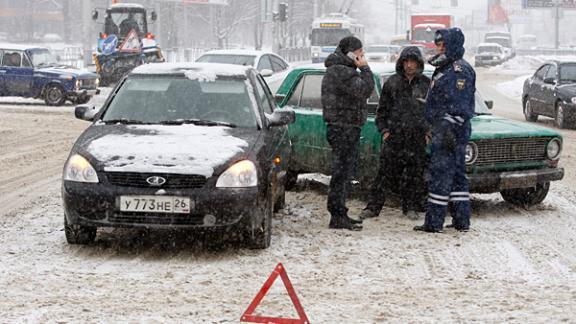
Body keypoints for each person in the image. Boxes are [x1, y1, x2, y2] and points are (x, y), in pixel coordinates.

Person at [414, 27, 476, 233]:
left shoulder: (459, 70)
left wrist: (447, 128)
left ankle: (433, 222)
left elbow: (459, 105)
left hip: (450, 130)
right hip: (446, 129)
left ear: (452, 45)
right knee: (458, 175)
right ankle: (461, 220)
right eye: (438, 44)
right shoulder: (445, 67)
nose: (439, 47)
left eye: (443, 44)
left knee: (441, 175)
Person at [360, 46, 431, 221]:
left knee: (414, 175)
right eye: (406, 62)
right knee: (384, 174)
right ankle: (373, 207)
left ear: (418, 63)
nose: (409, 66)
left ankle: (410, 207)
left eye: (413, 62)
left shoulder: (426, 84)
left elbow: (432, 113)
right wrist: (385, 131)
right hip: (394, 137)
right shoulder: (392, 83)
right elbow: (381, 112)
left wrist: (428, 132)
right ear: (401, 63)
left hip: (416, 138)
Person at [321, 36, 375, 231]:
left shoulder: (342, 70)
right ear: (351, 53)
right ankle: (337, 215)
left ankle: (340, 212)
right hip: (343, 128)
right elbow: (366, 90)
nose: (362, 56)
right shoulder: (342, 71)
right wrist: (365, 68)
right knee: (341, 173)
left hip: (344, 127)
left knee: (343, 173)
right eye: (360, 53)